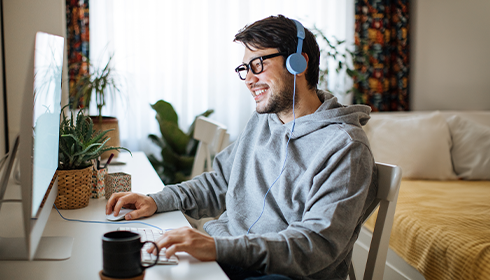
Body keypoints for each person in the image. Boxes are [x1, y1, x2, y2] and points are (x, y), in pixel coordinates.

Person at [106, 15, 377, 280]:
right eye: (245, 69)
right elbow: (220, 183)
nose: (248, 79)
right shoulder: (262, 122)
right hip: (229, 257)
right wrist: (156, 200)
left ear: (298, 63)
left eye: (258, 64)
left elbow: (314, 246)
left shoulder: (345, 148)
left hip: (279, 273)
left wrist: (218, 248)